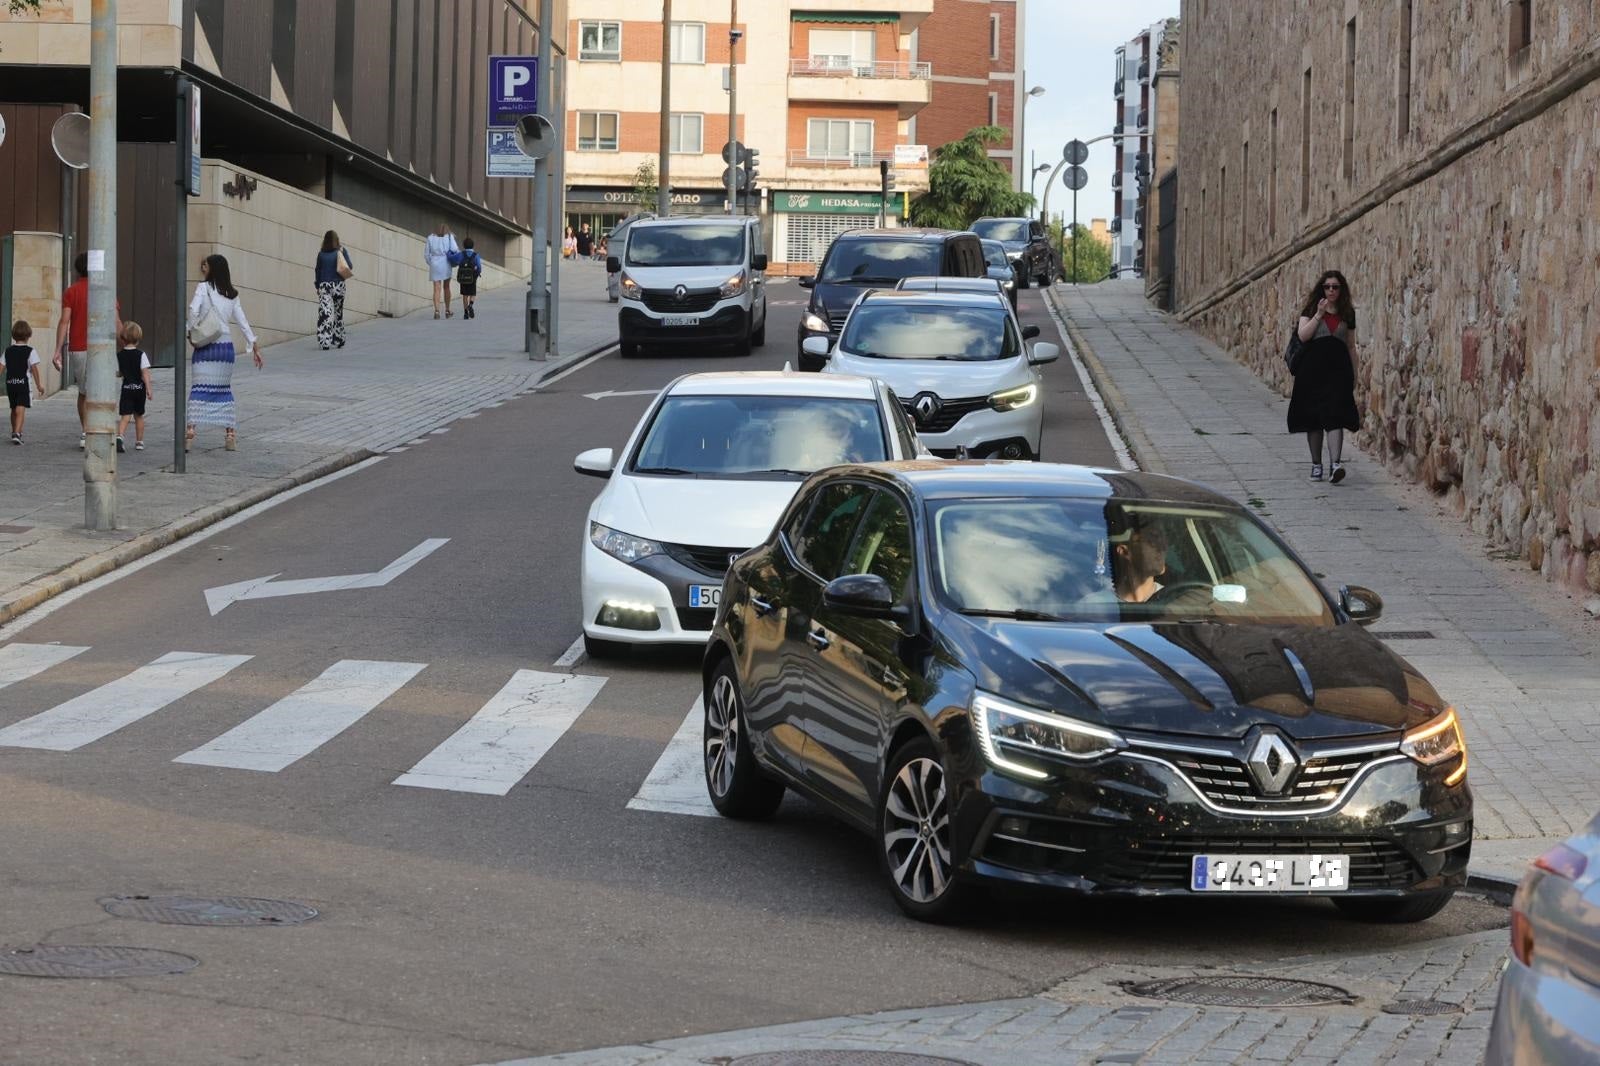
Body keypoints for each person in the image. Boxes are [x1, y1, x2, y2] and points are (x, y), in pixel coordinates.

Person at [1287, 270, 1360, 483]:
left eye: (1335, 287)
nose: (1331, 290)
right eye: (1327, 286)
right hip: (1312, 372)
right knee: (1314, 419)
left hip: (1338, 371)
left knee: (1335, 415)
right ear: (1322, 288)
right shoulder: (1311, 309)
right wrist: (1318, 314)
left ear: (1341, 289)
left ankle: (1335, 464)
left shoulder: (1347, 313)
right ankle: (1316, 464)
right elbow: (1303, 335)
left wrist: (1355, 374)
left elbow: (1351, 346)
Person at [186, 254, 262, 453]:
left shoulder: (203, 288)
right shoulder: (232, 294)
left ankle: (190, 433)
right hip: (225, 349)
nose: (204, 268)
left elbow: (193, 310)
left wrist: (191, 331)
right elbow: (242, 320)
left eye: (206, 265)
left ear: (213, 268)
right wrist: (253, 344)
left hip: (206, 347)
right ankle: (230, 435)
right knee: (224, 390)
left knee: (199, 389)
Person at [52, 251, 122, 449]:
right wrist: (127, 345)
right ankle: (104, 428)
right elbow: (116, 321)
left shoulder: (71, 291)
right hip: (105, 348)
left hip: (79, 347)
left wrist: (57, 350)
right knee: (103, 390)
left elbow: (64, 321)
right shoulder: (106, 291)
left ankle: (86, 431)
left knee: (83, 392)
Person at [115, 321, 153, 453]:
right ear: (138, 339)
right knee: (139, 415)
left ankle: (120, 436)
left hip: (126, 389)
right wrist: (148, 388)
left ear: (123, 338)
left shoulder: (119, 355)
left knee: (125, 415)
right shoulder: (141, 355)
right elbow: (145, 373)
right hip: (139, 389)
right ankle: (139, 441)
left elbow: (119, 372)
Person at [5, 320, 44, 445]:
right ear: (28, 336)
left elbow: (1, 366)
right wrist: (39, 385)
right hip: (23, 384)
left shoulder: (8, 351)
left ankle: (14, 431)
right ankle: (17, 433)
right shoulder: (30, 351)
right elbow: (34, 369)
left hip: (10, 383)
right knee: (20, 408)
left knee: (13, 408)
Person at [315, 230, 354, 349]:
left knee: (325, 314)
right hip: (338, 286)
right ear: (337, 240)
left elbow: (318, 271)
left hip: (325, 285)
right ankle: (339, 338)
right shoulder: (341, 251)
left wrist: (317, 286)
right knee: (338, 312)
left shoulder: (321, 254)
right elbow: (349, 266)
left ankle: (324, 341)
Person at [424, 222, 459, 319]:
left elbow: (426, 254)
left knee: (436, 288)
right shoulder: (449, 236)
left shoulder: (430, 237)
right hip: (446, 263)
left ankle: (437, 311)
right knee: (446, 287)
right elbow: (455, 249)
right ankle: (447, 310)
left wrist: (431, 263)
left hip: (435, 263)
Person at [455, 237, 483, 320]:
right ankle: (470, 305)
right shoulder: (476, 255)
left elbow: (455, 260)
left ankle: (465, 313)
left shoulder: (461, 254)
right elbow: (479, 267)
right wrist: (477, 274)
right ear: (472, 246)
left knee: (465, 295)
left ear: (464, 246)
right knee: (473, 293)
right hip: (472, 277)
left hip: (463, 278)